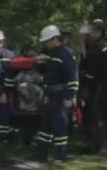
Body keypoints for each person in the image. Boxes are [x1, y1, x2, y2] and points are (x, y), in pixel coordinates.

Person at [34, 26, 79, 162]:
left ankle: (61, 156)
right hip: (51, 94)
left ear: (55, 39)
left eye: (47, 41)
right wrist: (38, 64)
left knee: (59, 126)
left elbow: (72, 77)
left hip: (61, 95)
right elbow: (49, 73)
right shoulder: (52, 54)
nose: (45, 44)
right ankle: (42, 155)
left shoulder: (65, 54)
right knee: (45, 126)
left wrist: (70, 96)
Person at [80, 21, 107, 154]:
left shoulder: (101, 47)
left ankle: (96, 147)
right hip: (97, 86)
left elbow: (97, 70)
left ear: (99, 32)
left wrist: (87, 81)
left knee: (95, 116)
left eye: (92, 31)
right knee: (91, 116)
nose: (89, 34)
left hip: (100, 86)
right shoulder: (96, 46)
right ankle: (91, 144)